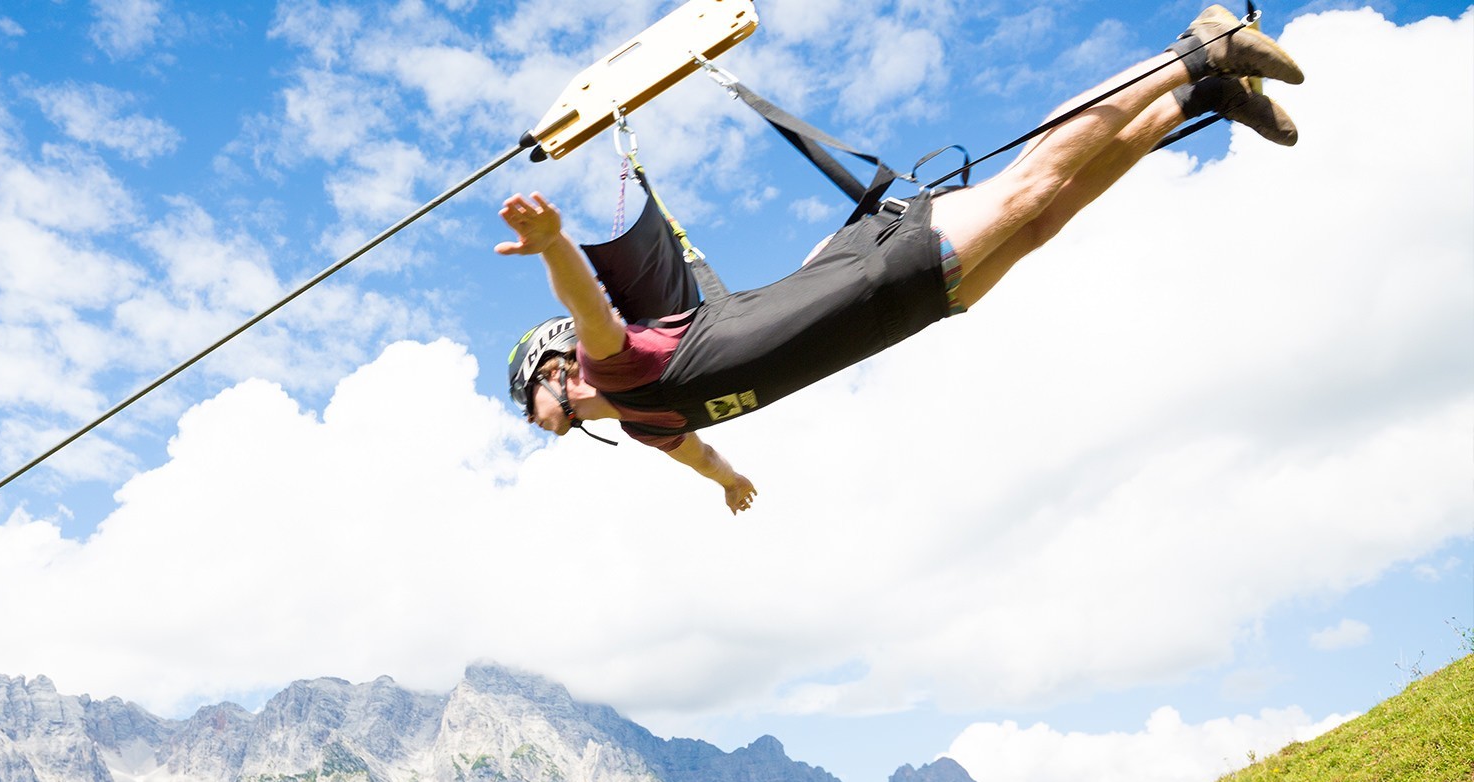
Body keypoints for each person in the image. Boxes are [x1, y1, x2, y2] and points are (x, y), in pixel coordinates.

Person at [498, 6, 1303, 514]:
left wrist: (554, 246)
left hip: (875, 271)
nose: (529, 424)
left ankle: (1198, 51)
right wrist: (729, 483)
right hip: (901, 316)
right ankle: (1195, 100)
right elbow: (699, 451)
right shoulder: (647, 426)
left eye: (523, 401)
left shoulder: (615, 368)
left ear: (551, 370)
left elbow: (592, 306)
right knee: (1041, 222)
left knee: (1028, 189)